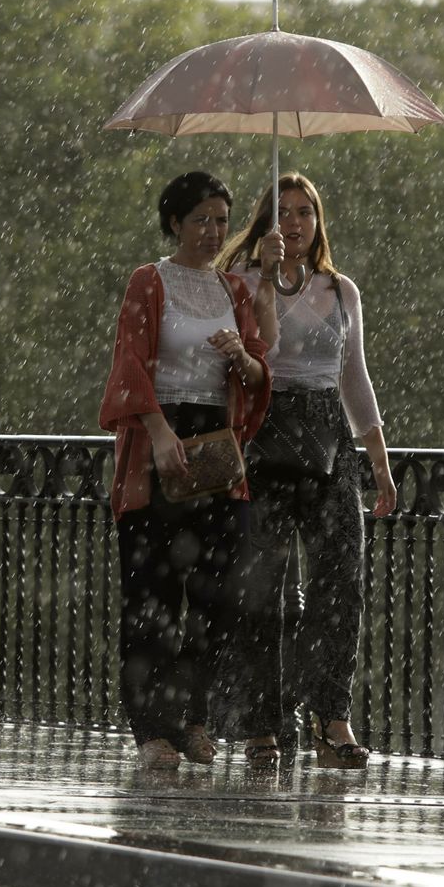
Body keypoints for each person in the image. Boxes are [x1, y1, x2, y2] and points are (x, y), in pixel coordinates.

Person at [215, 173, 398, 771]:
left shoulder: (340, 290)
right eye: (282, 212)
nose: (293, 223)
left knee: (341, 583)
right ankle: (263, 724)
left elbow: (354, 377)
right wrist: (265, 279)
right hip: (264, 432)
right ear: (264, 223)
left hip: (328, 438)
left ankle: (330, 718)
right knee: (262, 588)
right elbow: (250, 357)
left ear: (318, 223)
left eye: (304, 212)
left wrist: (378, 461)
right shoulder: (240, 281)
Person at [99, 171, 272, 770]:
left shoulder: (234, 289)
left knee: (215, 595)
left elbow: (258, 376)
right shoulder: (149, 281)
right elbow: (129, 361)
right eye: (201, 220)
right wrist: (157, 431)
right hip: (160, 438)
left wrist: (241, 356)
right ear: (175, 223)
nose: (213, 231)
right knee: (150, 594)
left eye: (221, 220)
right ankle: (152, 728)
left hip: (216, 446)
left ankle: (195, 717)